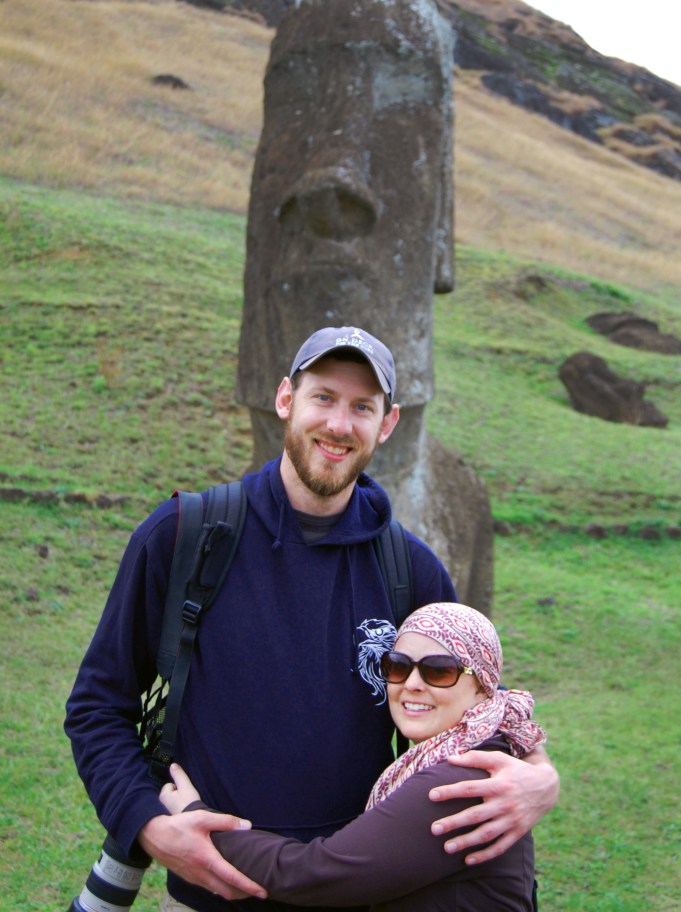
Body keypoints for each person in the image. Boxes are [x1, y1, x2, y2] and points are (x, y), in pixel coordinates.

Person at [65, 326, 559, 912]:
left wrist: (540, 777)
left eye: (362, 407)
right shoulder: (183, 538)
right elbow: (98, 706)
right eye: (322, 397)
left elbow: (481, 710)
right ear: (285, 400)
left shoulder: (412, 571)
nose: (339, 425)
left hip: (356, 894)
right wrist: (147, 824)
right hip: (206, 896)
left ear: (388, 423)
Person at [161, 602, 546, 911]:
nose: (412, 684)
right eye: (398, 666)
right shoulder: (474, 749)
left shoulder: (462, 778)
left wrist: (200, 822)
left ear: (482, 687)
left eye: (439, 672)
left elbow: (317, 874)